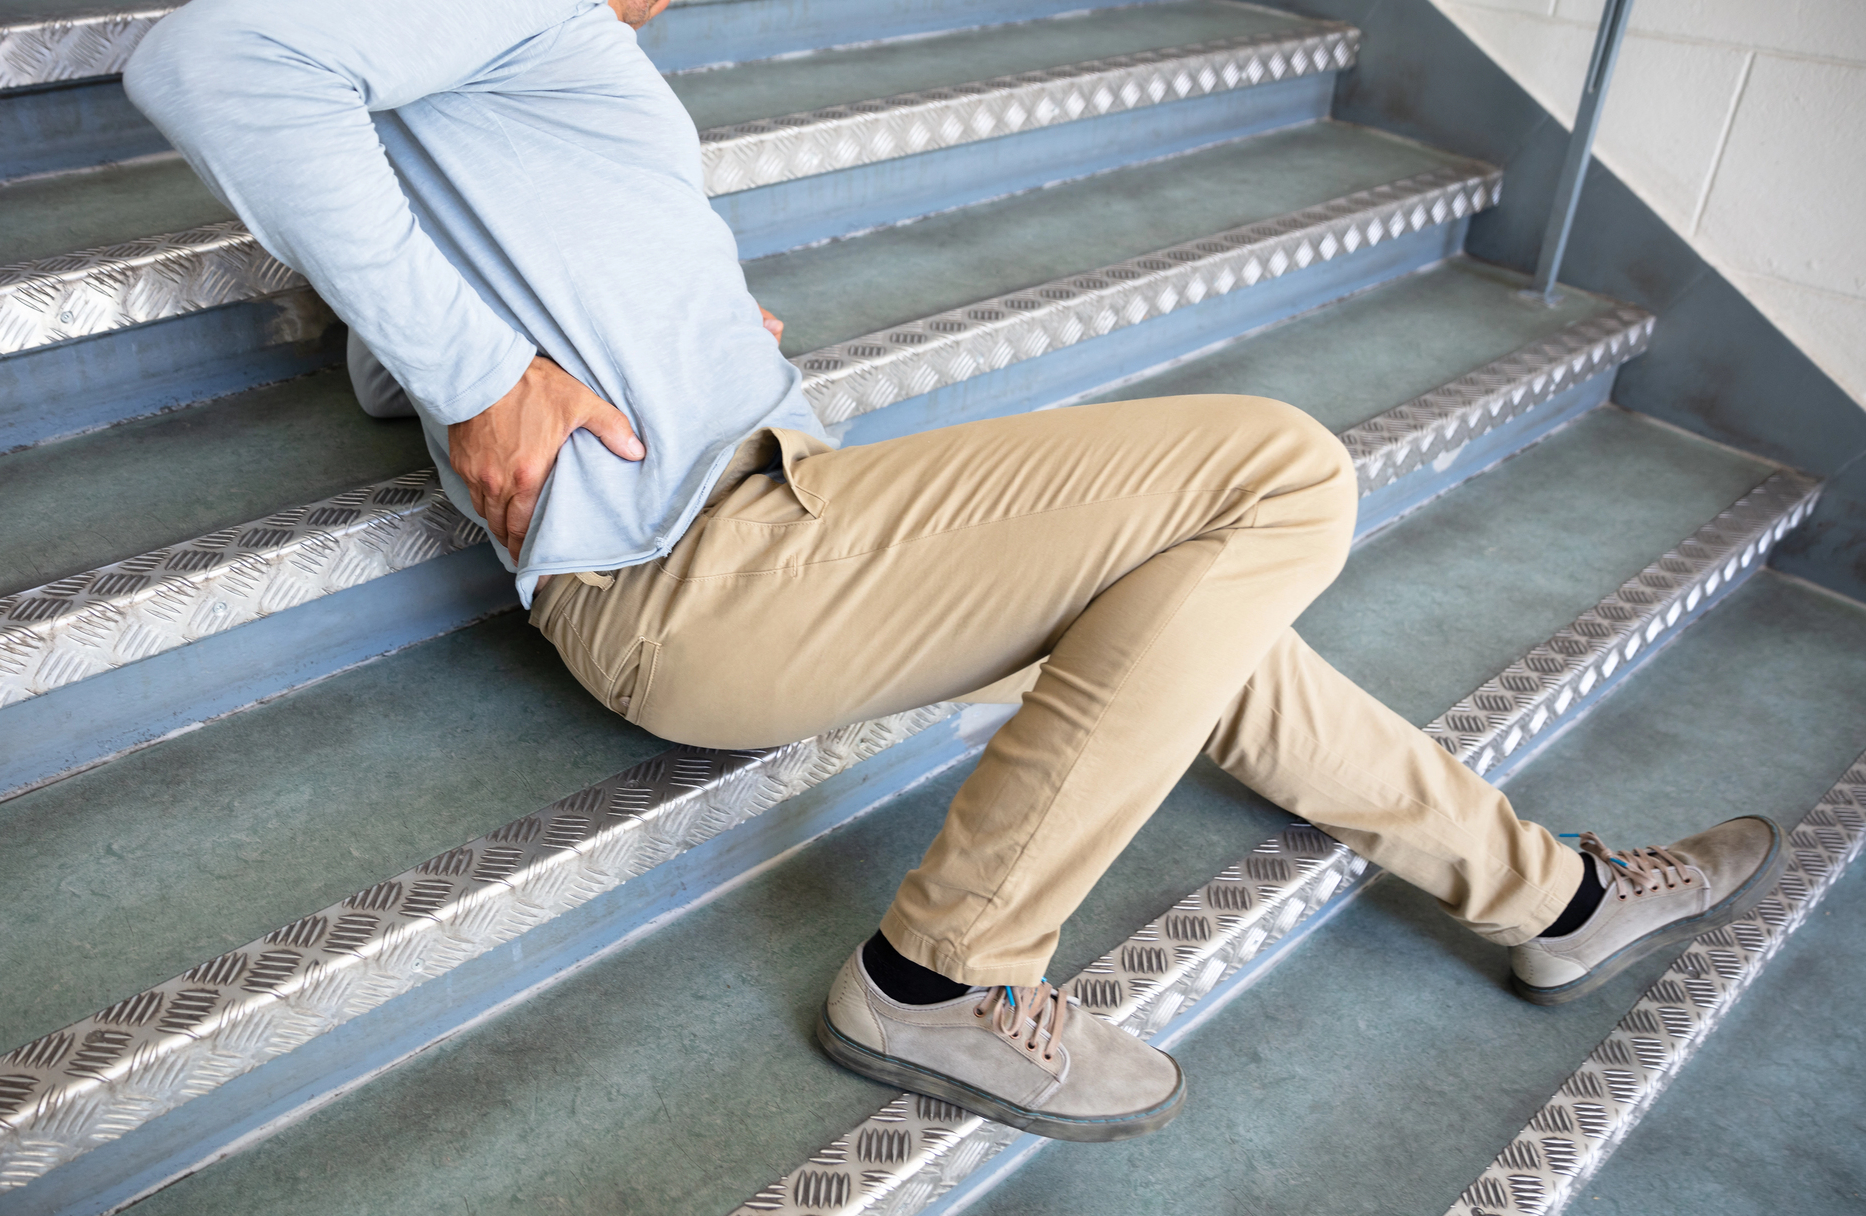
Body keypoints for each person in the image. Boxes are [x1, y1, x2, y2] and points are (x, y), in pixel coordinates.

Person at [125, 0, 1785, 1143]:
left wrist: (657, 323)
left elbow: (393, 306)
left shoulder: (491, 68)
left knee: (1200, 624)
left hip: (778, 525)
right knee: (1274, 474)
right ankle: (944, 969)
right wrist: (485, 381)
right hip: (710, 563)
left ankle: (1556, 895)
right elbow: (207, 60)